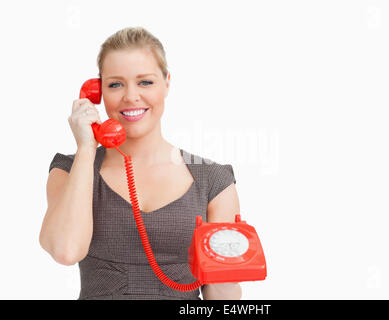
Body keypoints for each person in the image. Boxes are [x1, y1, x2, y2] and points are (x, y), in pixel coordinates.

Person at [39, 27, 242, 300]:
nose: (131, 96)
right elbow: (65, 250)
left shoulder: (213, 181)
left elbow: (221, 298)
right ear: (96, 92)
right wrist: (87, 147)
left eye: (145, 82)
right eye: (115, 84)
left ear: (166, 83)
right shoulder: (70, 169)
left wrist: (230, 265)